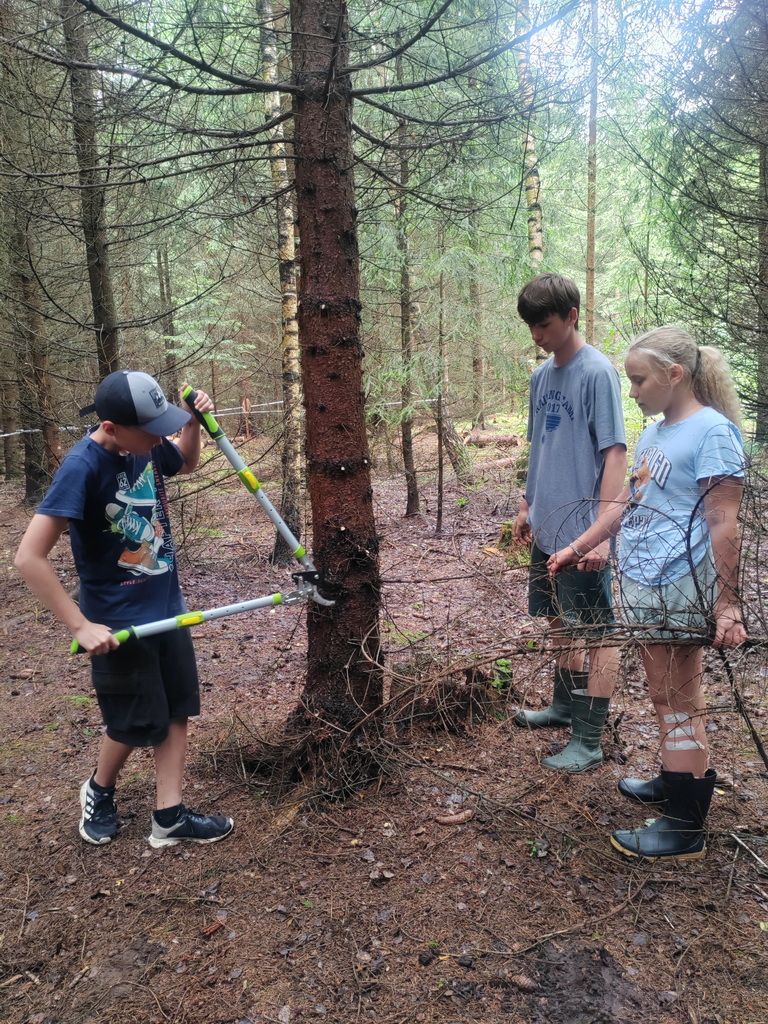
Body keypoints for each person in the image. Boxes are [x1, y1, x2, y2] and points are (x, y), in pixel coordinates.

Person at [15, 369, 235, 849]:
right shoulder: (82, 465)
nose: (159, 438)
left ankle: (169, 816)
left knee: (176, 708)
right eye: (151, 431)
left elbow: (186, 462)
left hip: (168, 606)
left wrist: (192, 424)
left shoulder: (146, 445)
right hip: (118, 620)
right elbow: (28, 558)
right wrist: (80, 624)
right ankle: (98, 790)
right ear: (111, 427)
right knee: (133, 721)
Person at [548, 326, 746, 860]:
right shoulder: (656, 433)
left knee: (676, 698)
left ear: (674, 374)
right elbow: (626, 501)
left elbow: (724, 523)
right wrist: (578, 545)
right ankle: (676, 778)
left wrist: (728, 603)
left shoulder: (712, 432)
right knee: (669, 695)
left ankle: (684, 824)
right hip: (645, 578)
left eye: (638, 380)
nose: (632, 392)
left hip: (682, 580)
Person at [512, 273, 627, 772]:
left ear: (572, 316)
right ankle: (562, 707)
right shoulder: (541, 377)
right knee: (559, 622)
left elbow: (615, 453)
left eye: (545, 324)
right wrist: (526, 505)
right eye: (531, 326)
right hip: (547, 522)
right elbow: (539, 444)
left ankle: (588, 739)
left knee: (597, 632)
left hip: (583, 531)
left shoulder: (597, 372)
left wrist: (601, 533)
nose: (537, 335)